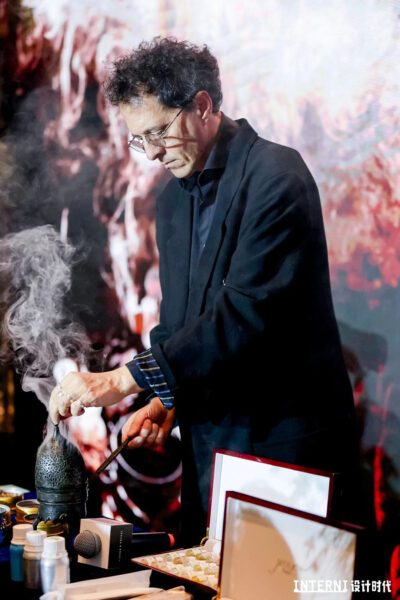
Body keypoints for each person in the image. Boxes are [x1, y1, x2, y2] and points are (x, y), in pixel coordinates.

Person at [50, 37, 355, 545]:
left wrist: (122, 381)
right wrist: (166, 400)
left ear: (203, 105)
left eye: (158, 133)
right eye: (139, 139)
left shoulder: (278, 177)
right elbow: (182, 323)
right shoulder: (172, 200)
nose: (152, 153)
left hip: (284, 445)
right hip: (211, 449)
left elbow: (243, 316)